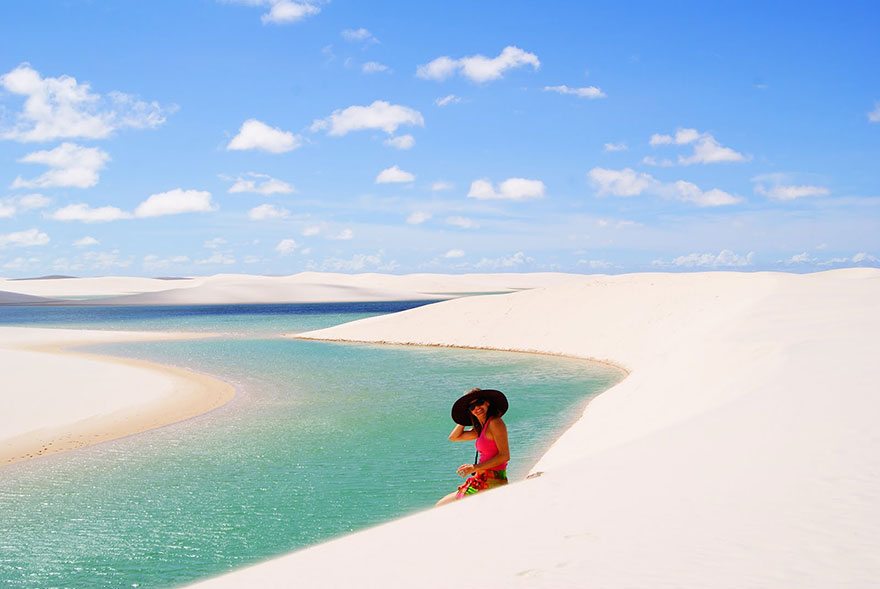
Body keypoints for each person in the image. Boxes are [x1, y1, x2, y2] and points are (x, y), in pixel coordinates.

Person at [435, 388, 510, 507]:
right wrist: (464, 419)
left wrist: (475, 467)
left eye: (479, 403)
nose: (477, 408)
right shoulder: (480, 429)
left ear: (487, 403)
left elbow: (505, 456)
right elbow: (454, 437)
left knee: (444, 506)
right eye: (472, 407)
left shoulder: (495, 423)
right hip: (480, 479)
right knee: (441, 505)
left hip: (492, 480)